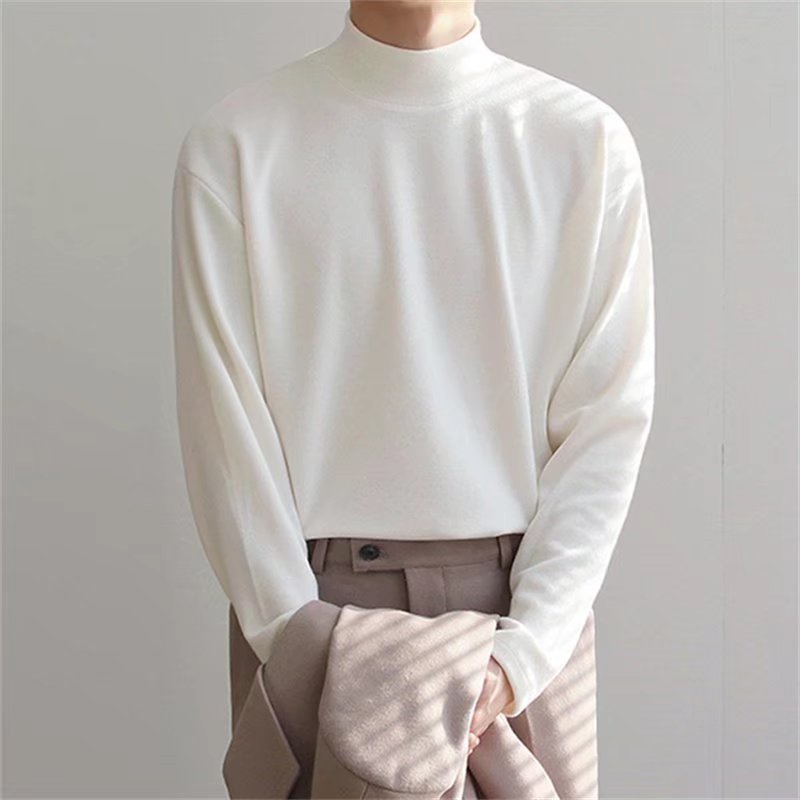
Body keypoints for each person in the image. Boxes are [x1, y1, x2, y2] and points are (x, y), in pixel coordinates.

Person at [171, 0, 655, 788]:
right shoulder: (237, 145)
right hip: (311, 613)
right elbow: (224, 435)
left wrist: (522, 657)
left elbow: (607, 426)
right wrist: (299, 642)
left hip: (524, 617)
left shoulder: (583, 142)